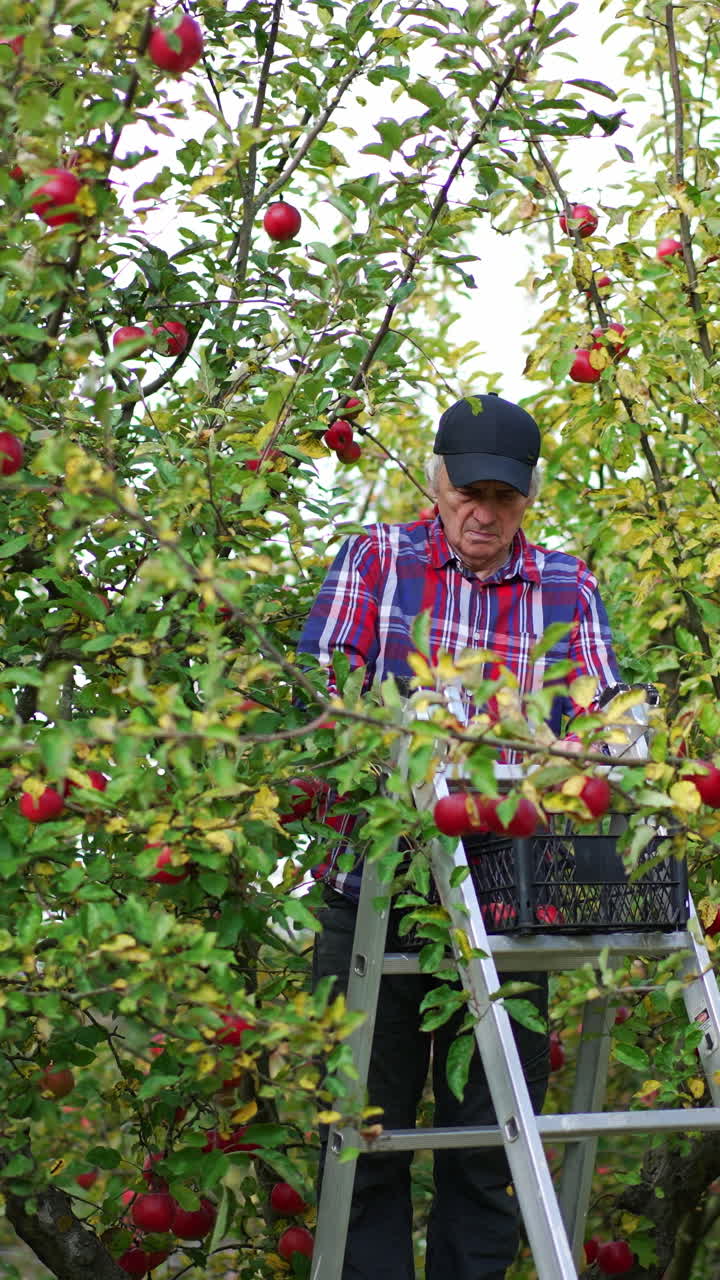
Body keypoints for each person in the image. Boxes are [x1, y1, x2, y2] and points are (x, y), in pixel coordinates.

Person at [297, 392, 620, 1279]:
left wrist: (575, 743)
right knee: (367, 1140)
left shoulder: (566, 582)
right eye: (467, 490)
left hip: (514, 897)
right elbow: (322, 687)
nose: (484, 512)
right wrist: (411, 732)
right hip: (380, 892)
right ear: (435, 481)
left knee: (490, 1152)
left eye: (504, 497)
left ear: (530, 497)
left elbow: (607, 713)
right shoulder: (378, 559)